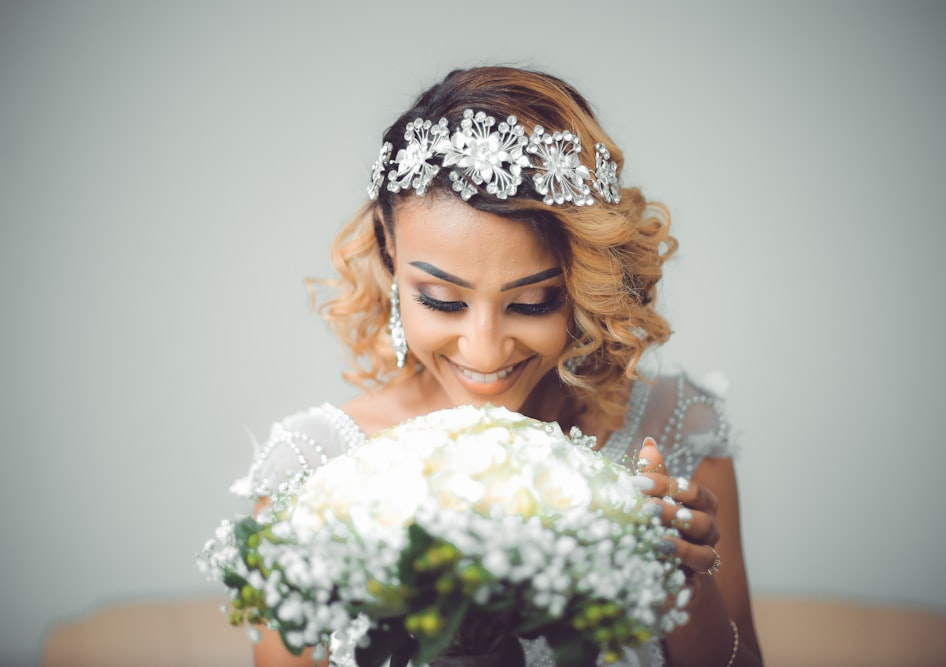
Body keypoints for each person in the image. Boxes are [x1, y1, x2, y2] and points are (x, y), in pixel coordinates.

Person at [233, 66, 762, 667]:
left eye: (532, 303)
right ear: (388, 248)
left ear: (584, 282)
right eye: (442, 300)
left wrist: (684, 583)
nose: (484, 352)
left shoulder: (674, 432)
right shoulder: (313, 470)